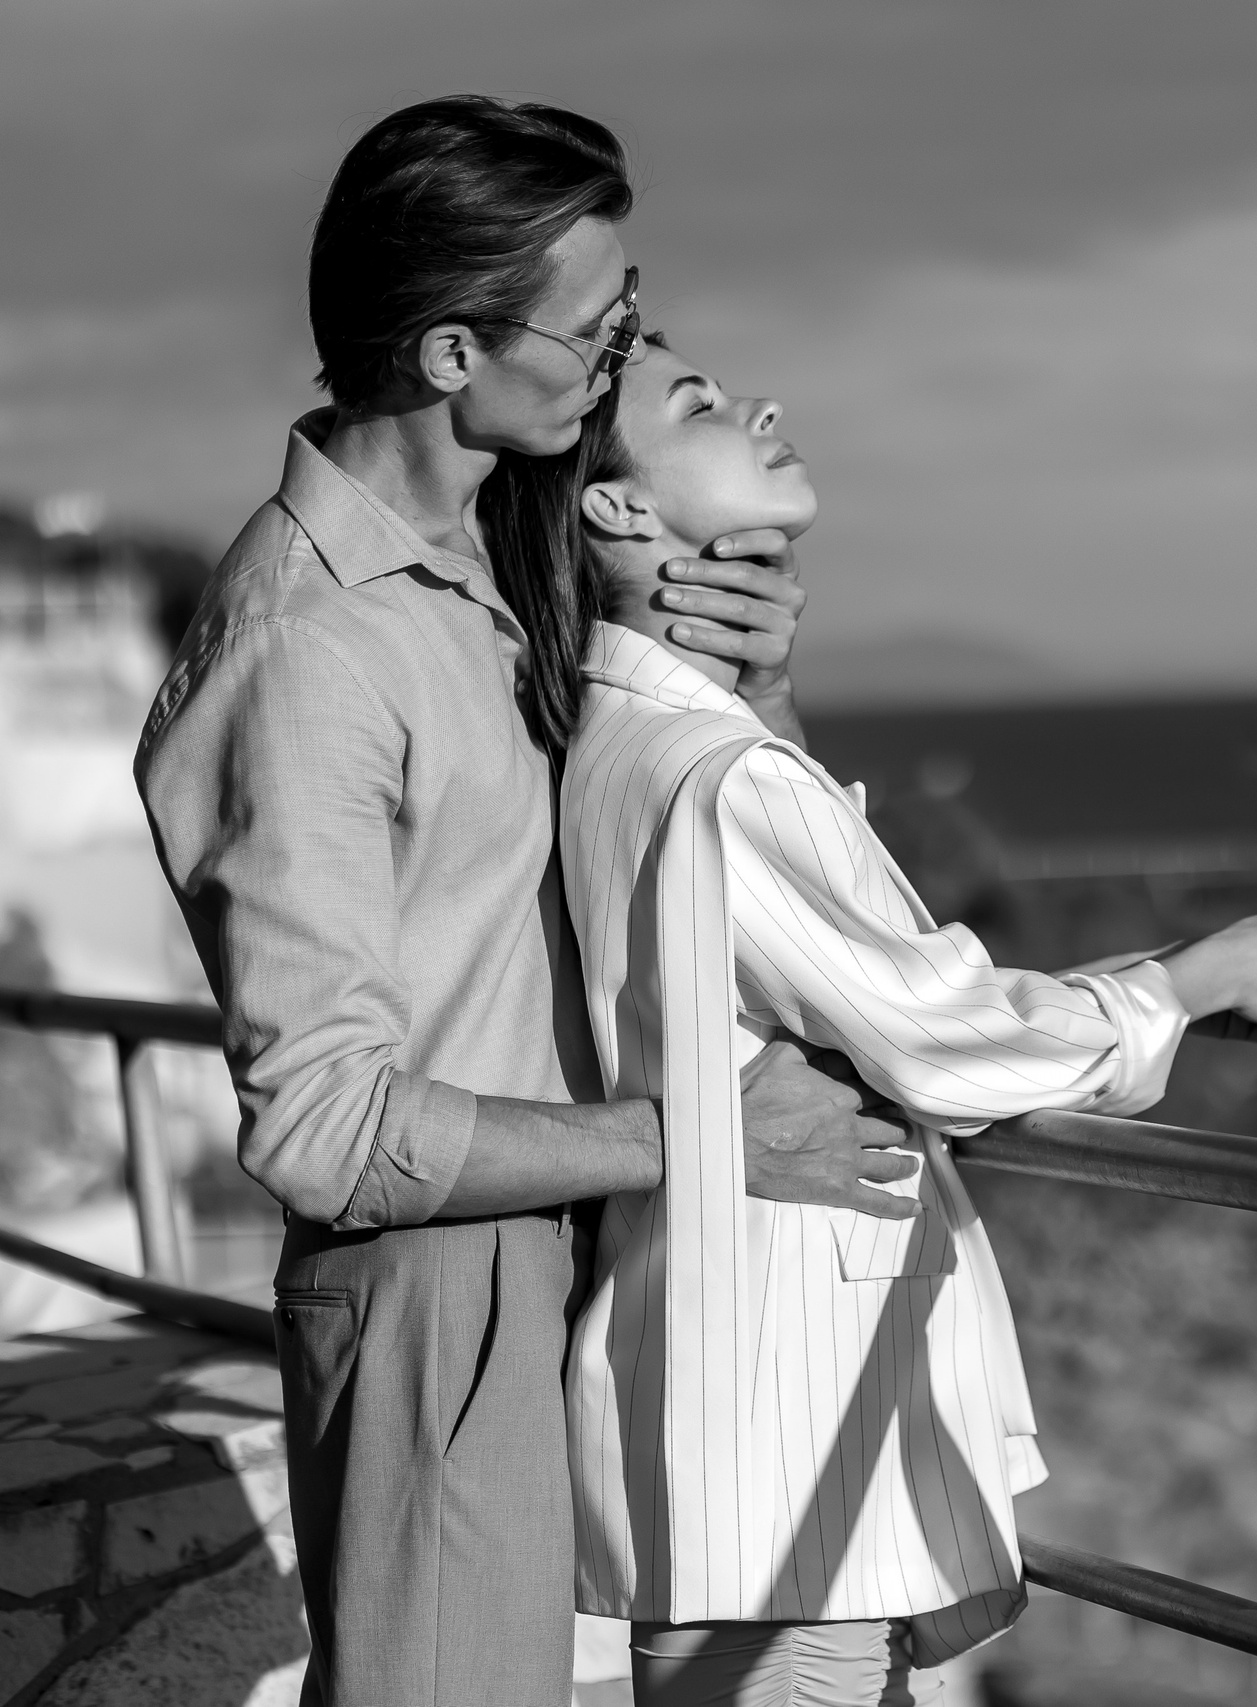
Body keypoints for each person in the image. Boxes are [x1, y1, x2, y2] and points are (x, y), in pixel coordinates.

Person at [135, 98, 920, 1707]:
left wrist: (759, 691)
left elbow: (704, 860)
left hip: (612, 1247)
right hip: (448, 1293)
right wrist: (704, 1136)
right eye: (595, 328)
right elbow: (323, 1129)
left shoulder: (502, 547)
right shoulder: (307, 649)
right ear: (450, 354)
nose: (623, 354)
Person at [479, 335, 1257, 1706]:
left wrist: (1172, 980)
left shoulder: (626, 744)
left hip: (754, 1444)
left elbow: (861, 989)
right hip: (788, 1464)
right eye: (698, 404)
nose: (761, 403)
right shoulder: (717, 774)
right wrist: (1184, 985)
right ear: (620, 507)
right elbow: (938, 1040)